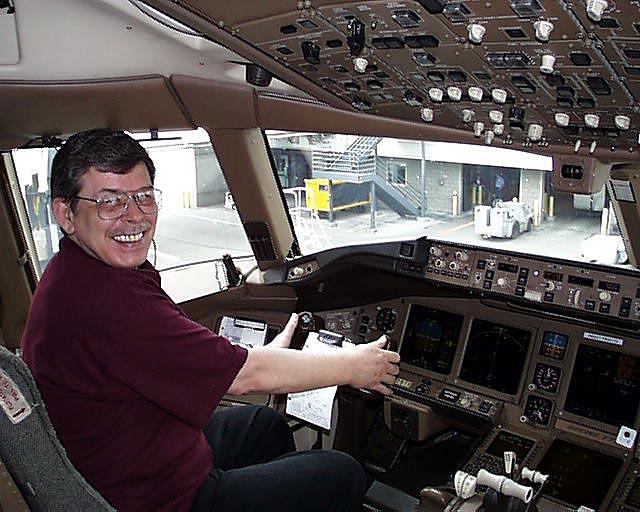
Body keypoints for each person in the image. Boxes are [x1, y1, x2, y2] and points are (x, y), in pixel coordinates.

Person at [20, 128, 400, 512]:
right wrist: (355, 366)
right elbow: (245, 377)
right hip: (158, 500)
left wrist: (258, 358)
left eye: (143, 196)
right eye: (109, 201)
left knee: (262, 426)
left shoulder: (73, 273)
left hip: (133, 459)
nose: (133, 215)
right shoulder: (109, 301)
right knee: (341, 473)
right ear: (66, 213)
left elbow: (181, 361)